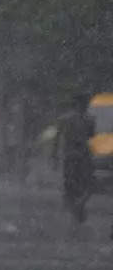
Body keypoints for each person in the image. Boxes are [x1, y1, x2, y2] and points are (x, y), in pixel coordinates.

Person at [54, 93, 95, 223]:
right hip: (77, 155)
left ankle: (74, 203)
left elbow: (91, 138)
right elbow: (91, 137)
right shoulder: (83, 119)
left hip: (76, 155)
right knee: (76, 182)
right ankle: (74, 204)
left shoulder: (71, 119)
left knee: (77, 183)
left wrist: (54, 154)